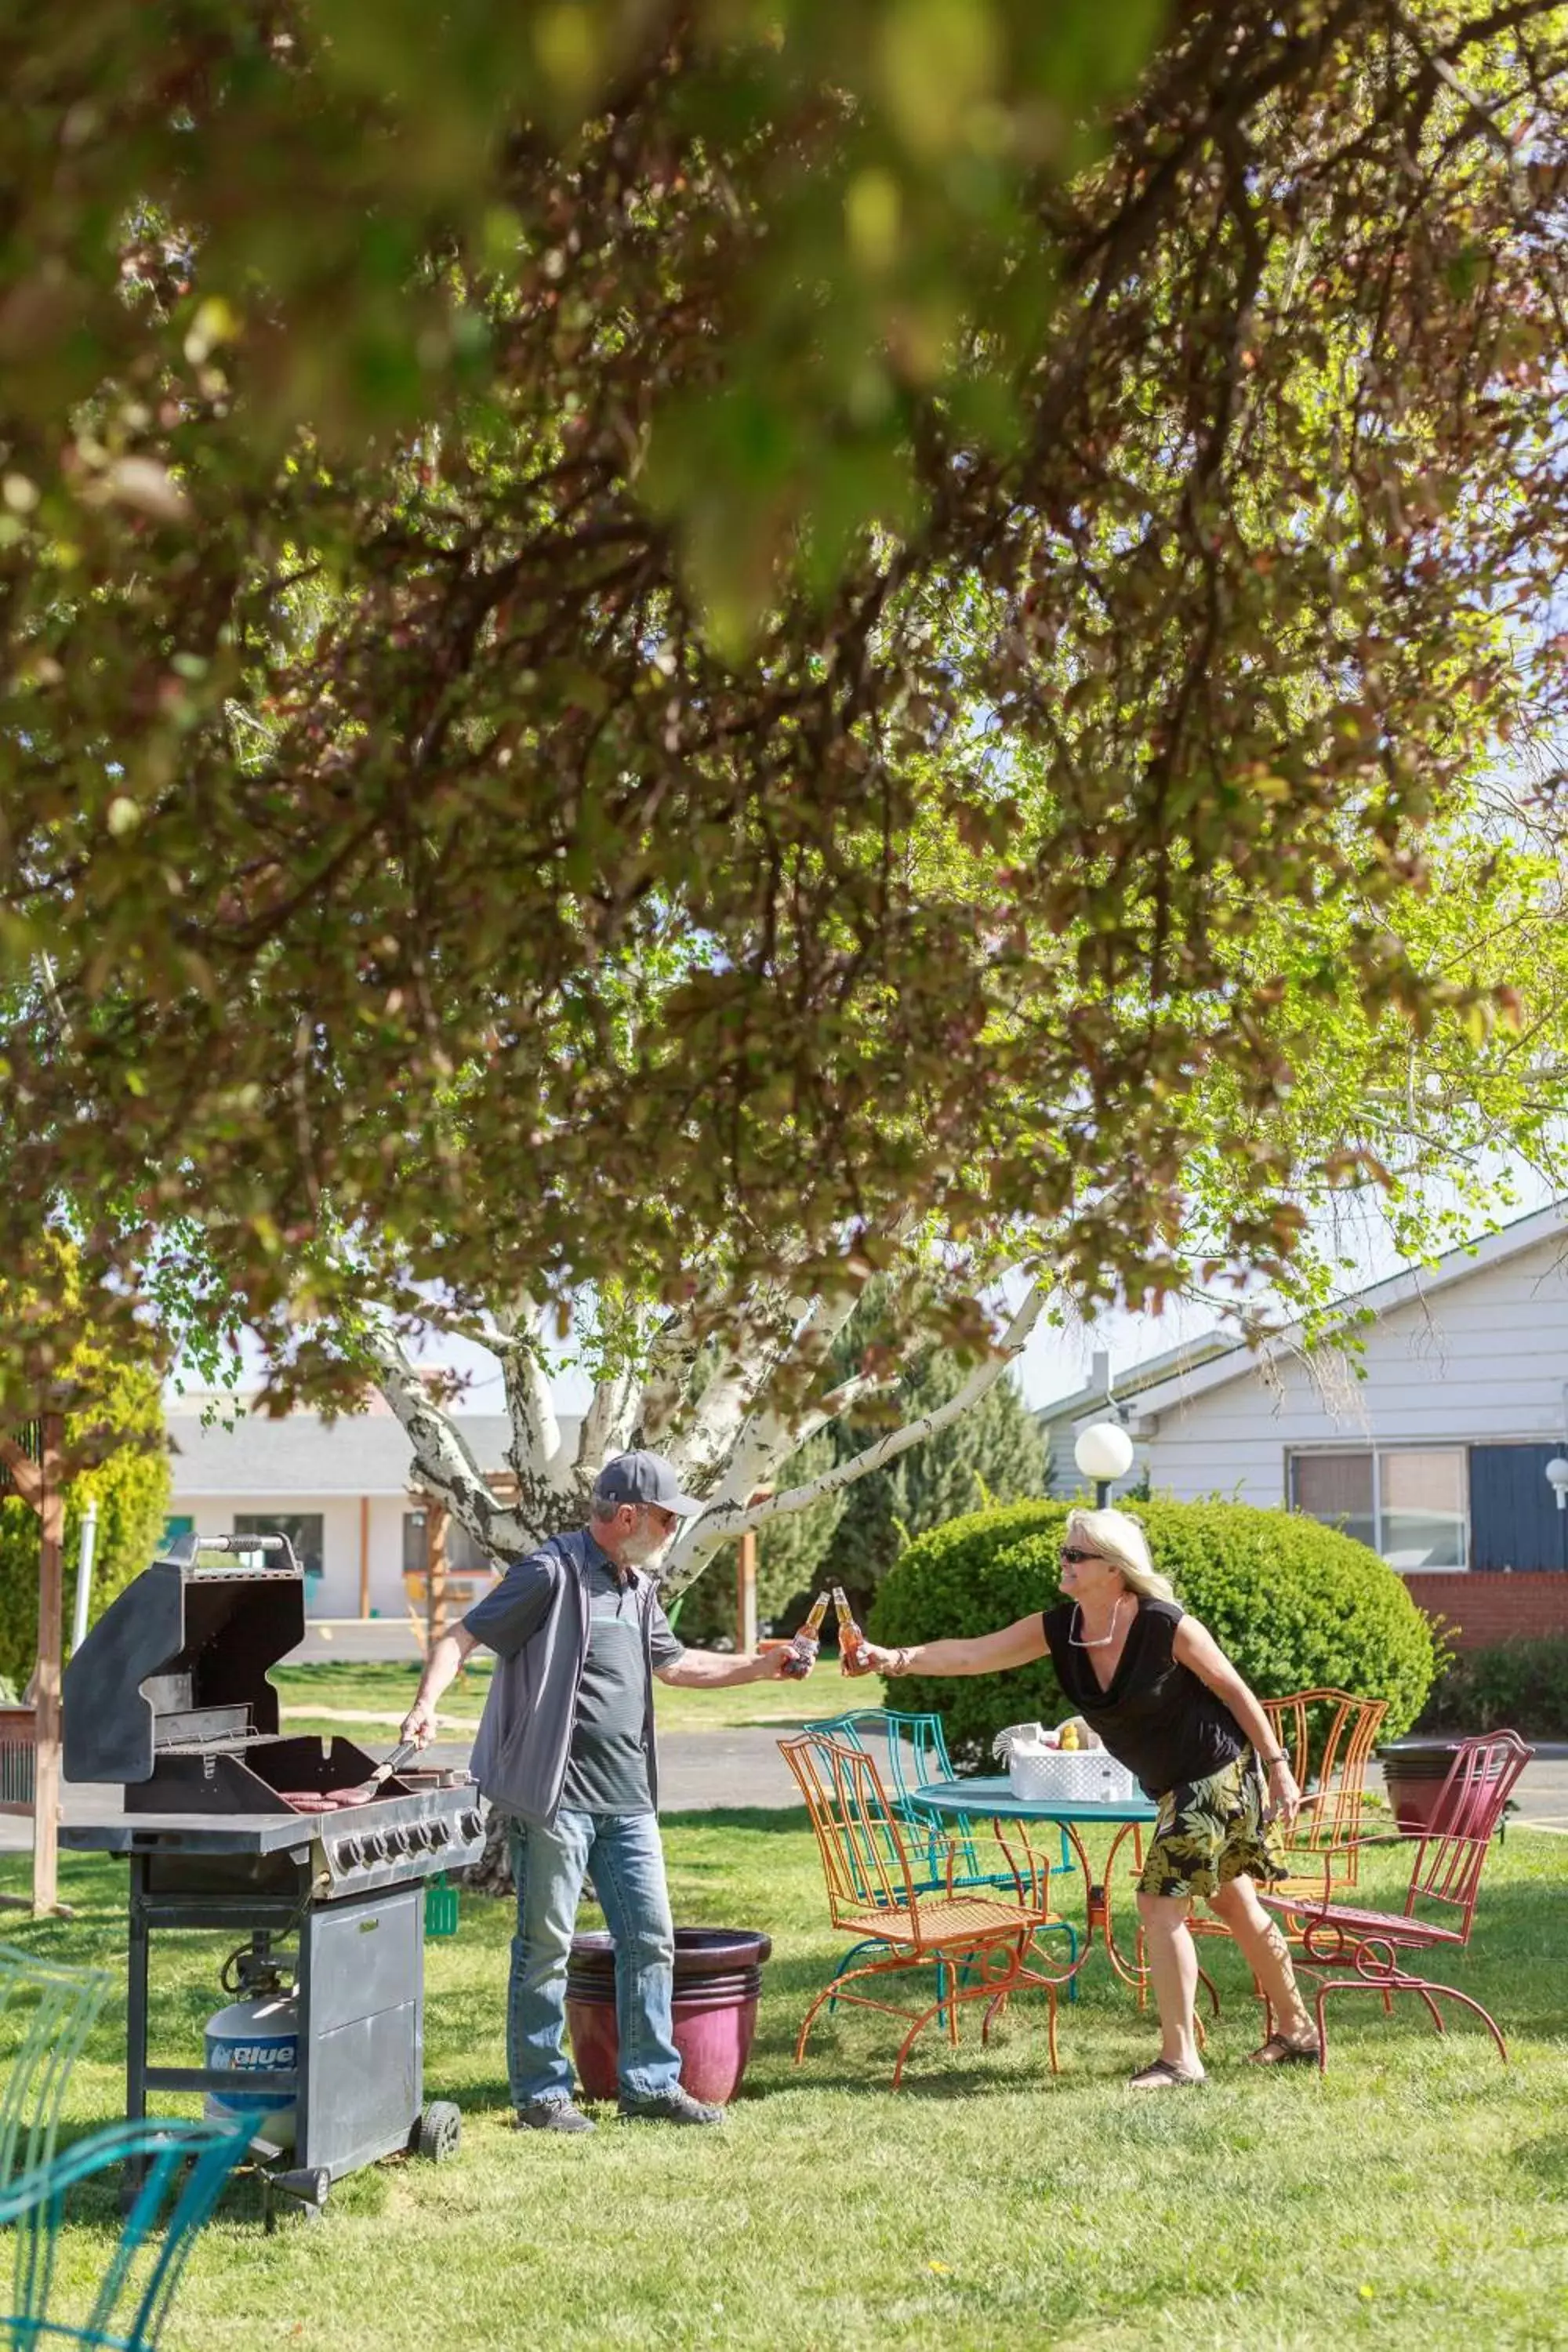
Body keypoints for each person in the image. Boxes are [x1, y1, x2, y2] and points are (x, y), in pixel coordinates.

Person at [401, 1448, 805, 2132]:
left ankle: (649, 2084)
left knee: (650, 1939)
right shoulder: (549, 1573)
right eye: (666, 1518)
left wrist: (761, 1667)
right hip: (555, 1798)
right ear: (628, 1515)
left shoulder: (637, 1586)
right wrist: (425, 1705)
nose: (672, 1530)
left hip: (627, 1799)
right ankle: (541, 2095)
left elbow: (676, 1667)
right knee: (545, 1945)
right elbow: (459, 1638)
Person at [859, 1504, 1320, 2088]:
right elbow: (973, 1654)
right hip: (1171, 1785)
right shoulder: (1062, 1627)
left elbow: (1235, 1690)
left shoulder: (1165, 1625)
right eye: (1065, 1552)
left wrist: (1278, 1766)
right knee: (1234, 1904)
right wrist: (895, 1659)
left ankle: (1181, 2060)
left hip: (1215, 1772)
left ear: (1115, 1569)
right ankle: (1298, 2029)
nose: (1065, 1562)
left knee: (1160, 1906)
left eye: (1077, 1554)